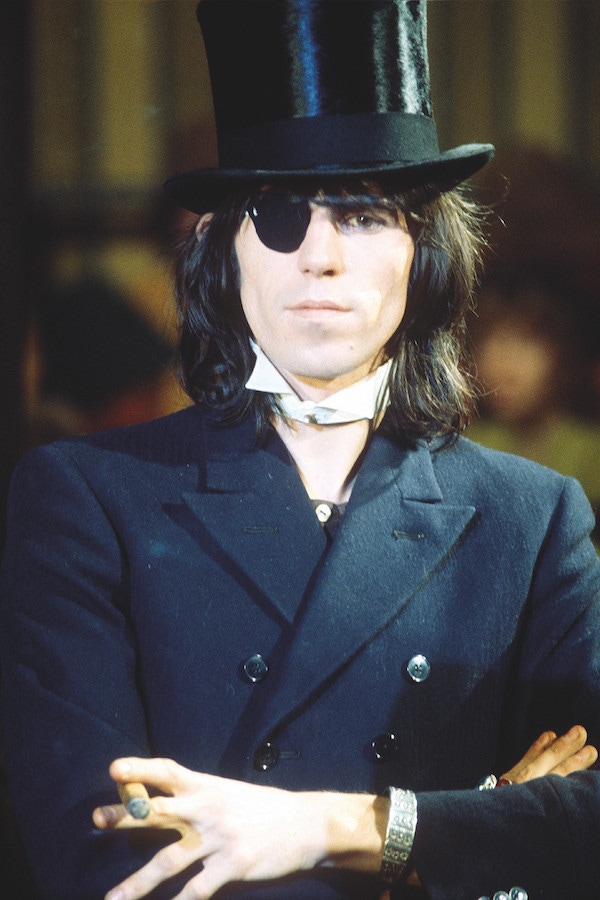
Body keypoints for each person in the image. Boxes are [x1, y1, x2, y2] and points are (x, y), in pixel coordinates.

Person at [1, 2, 600, 899]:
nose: (320, 255)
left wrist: (322, 827)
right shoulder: (86, 499)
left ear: (423, 254)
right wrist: (473, 822)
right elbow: (101, 855)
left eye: (363, 216)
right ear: (220, 249)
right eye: (279, 214)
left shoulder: (533, 516)